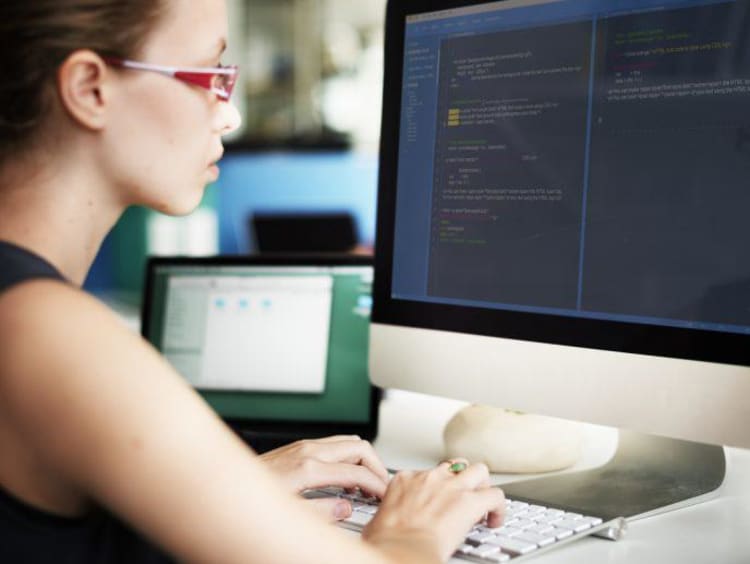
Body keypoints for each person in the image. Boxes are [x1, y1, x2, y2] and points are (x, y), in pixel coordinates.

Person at [0, 1, 505, 562]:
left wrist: (223, 487)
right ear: (92, 88)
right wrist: (414, 527)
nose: (230, 114)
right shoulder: (50, 335)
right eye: (211, 76)